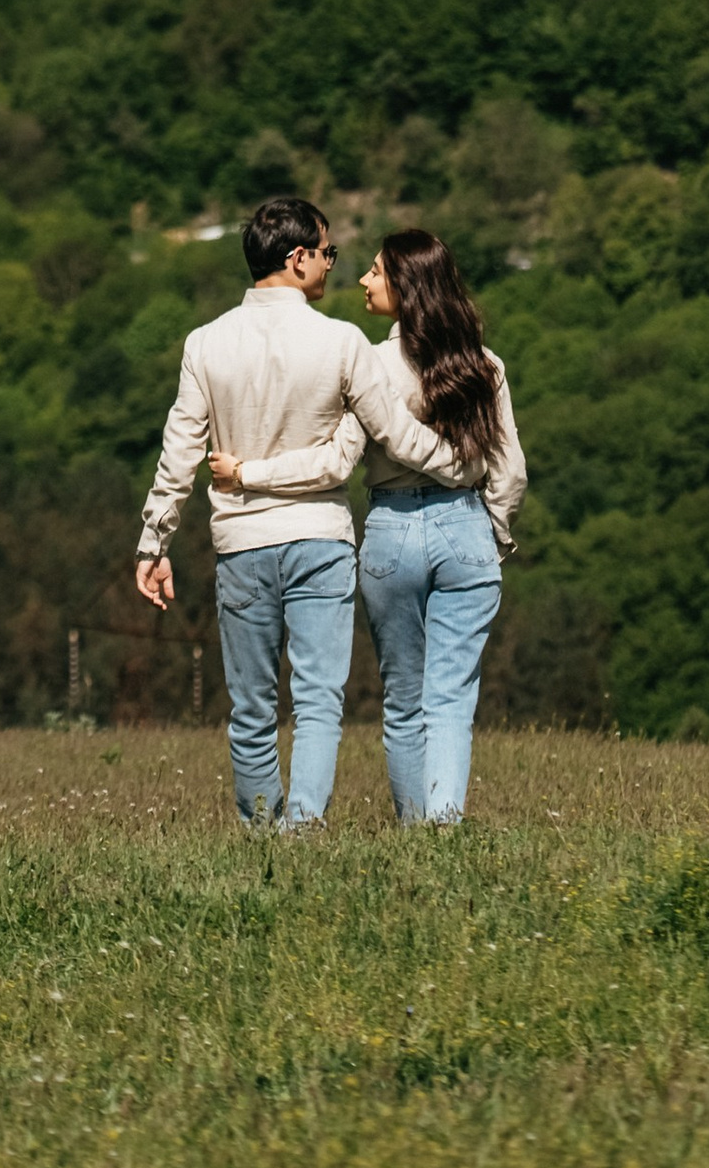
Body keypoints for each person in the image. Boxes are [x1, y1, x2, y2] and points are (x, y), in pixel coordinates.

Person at [133, 193, 475, 831]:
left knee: (251, 705)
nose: (331, 266)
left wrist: (154, 543)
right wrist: (464, 465)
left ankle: (264, 830)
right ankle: (306, 826)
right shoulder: (343, 343)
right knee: (319, 702)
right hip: (320, 537)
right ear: (297, 259)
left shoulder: (205, 344)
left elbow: (180, 451)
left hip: (240, 539)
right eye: (326, 253)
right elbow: (398, 436)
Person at [221, 227, 523, 826]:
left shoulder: (372, 362)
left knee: (404, 700)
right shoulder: (484, 365)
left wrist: (248, 473)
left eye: (377, 271)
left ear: (407, 289)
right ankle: (443, 825)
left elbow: (336, 460)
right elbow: (509, 470)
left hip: (391, 530)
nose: (362, 278)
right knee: (453, 697)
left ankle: (416, 828)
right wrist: (490, 532)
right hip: (467, 526)